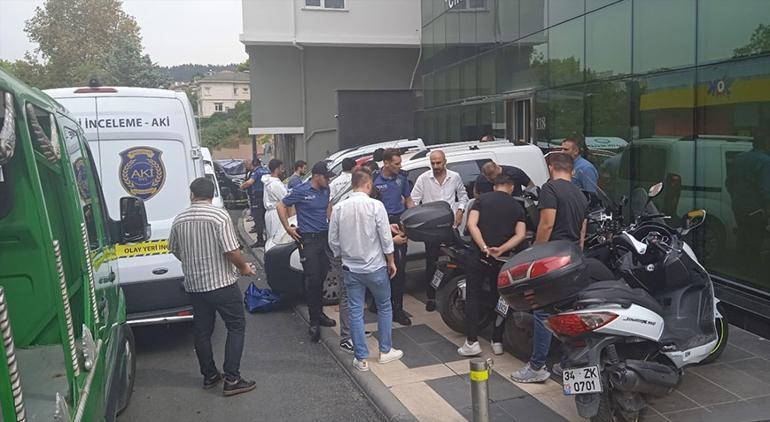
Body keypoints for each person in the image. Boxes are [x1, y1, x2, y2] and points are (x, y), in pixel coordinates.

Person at [168, 177, 257, 397]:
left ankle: (209, 375)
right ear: (211, 194)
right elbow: (231, 251)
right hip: (221, 284)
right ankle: (232, 379)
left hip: (195, 285)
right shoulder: (219, 216)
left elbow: (174, 249)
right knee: (236, 326)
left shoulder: (179, 219)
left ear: (192, 195)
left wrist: (192, 263)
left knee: (202, 331)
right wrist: (244, 268)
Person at [510, 152, 588, 384]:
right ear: (572, 171)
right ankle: (567, 363)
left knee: (543, 310)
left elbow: (547, 224)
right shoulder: (581, 194)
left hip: (552, 256)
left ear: (551, 168)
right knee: (567, 311)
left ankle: (537, 366)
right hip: (572, 256)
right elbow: (582, 232)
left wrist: (535, 253)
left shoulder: (550, 189)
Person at [328, 168, 404, 371]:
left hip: (351, 268)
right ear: (369, 184)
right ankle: (385, 351)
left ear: (352, 184)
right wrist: (391, 261)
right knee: (384, 306)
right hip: (375, 266)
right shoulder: (376, 206)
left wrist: (342, 256)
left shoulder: (339, 208)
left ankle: (361, 357)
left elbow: (333, 240)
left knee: (355, 311)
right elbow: (385, 237)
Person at [459, 174, 527, 357]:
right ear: (511, 187)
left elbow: (472, 225)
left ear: (495, 186)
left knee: (473, 296)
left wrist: (484, 247)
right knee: (501, 297)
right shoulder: (517, 206)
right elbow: (520, 234)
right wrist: (501, 249)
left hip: (478, 256)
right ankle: (497, 340)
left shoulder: (481, 200)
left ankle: (472, 341)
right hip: (501, 260)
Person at [277, 162, 337, 342]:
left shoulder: (326, 190)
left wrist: (332, 223)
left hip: (323, 238)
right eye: (326, 177)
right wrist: (287, 228)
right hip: (308, 240)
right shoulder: (302, 190)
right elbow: (281, 205)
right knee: (313, 279)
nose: (328, 180)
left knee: (322, 276)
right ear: (316, 176)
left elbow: (328, 207)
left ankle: (320, 313)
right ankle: (314, 321)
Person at [410, 150, 469, 312]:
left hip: (450, 227)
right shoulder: (423, 178)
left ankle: (458, 292)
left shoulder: (455, 177)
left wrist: (460, 211)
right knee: (431, 263)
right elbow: (413, 201)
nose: (435, 166)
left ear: (445, 161)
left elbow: (463, 196)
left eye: (438, 163)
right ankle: (431, 297)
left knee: (459, 258)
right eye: (433, 163)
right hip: (432, 230)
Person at [373, 148, 415, 326]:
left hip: (399, 223)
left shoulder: (401, 178)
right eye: (396, 163)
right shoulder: (374, 179)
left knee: (399, 268)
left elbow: (408, 199)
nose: (399, 166)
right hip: (379, 223)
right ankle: (377, 303)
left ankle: (397, 309)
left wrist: (413, 217)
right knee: (379, 267)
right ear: (386, 163)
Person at [727, 125, 770, 276]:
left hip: (739, 207)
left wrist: (737, 198)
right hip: (756, 209)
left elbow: (729, 183)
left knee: (742, 239)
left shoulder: (740, 158)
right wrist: (766, 208)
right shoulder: (765, 161)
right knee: (755, 243)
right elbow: (766, 189)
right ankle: (752, 275)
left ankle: (740, 272)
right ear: (766, 143)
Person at [240, 158, 270, 247]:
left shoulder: (256, 172)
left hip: (258, 198)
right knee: (265, 219)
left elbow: (250, 182)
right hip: (266, 197)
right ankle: (268, 239)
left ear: (253, 165)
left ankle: (260, 240)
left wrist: (242, 186)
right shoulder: (267, 171)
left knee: (258, 219)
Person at [263, 159, 289, 241]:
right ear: (277, 169)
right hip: (276, 214)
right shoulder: (276, 184)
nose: (283, 171)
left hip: (270, 213)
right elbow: (286, 200)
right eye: (281, 168)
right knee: (278, 238)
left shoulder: (268, 181)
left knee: (271, 237)